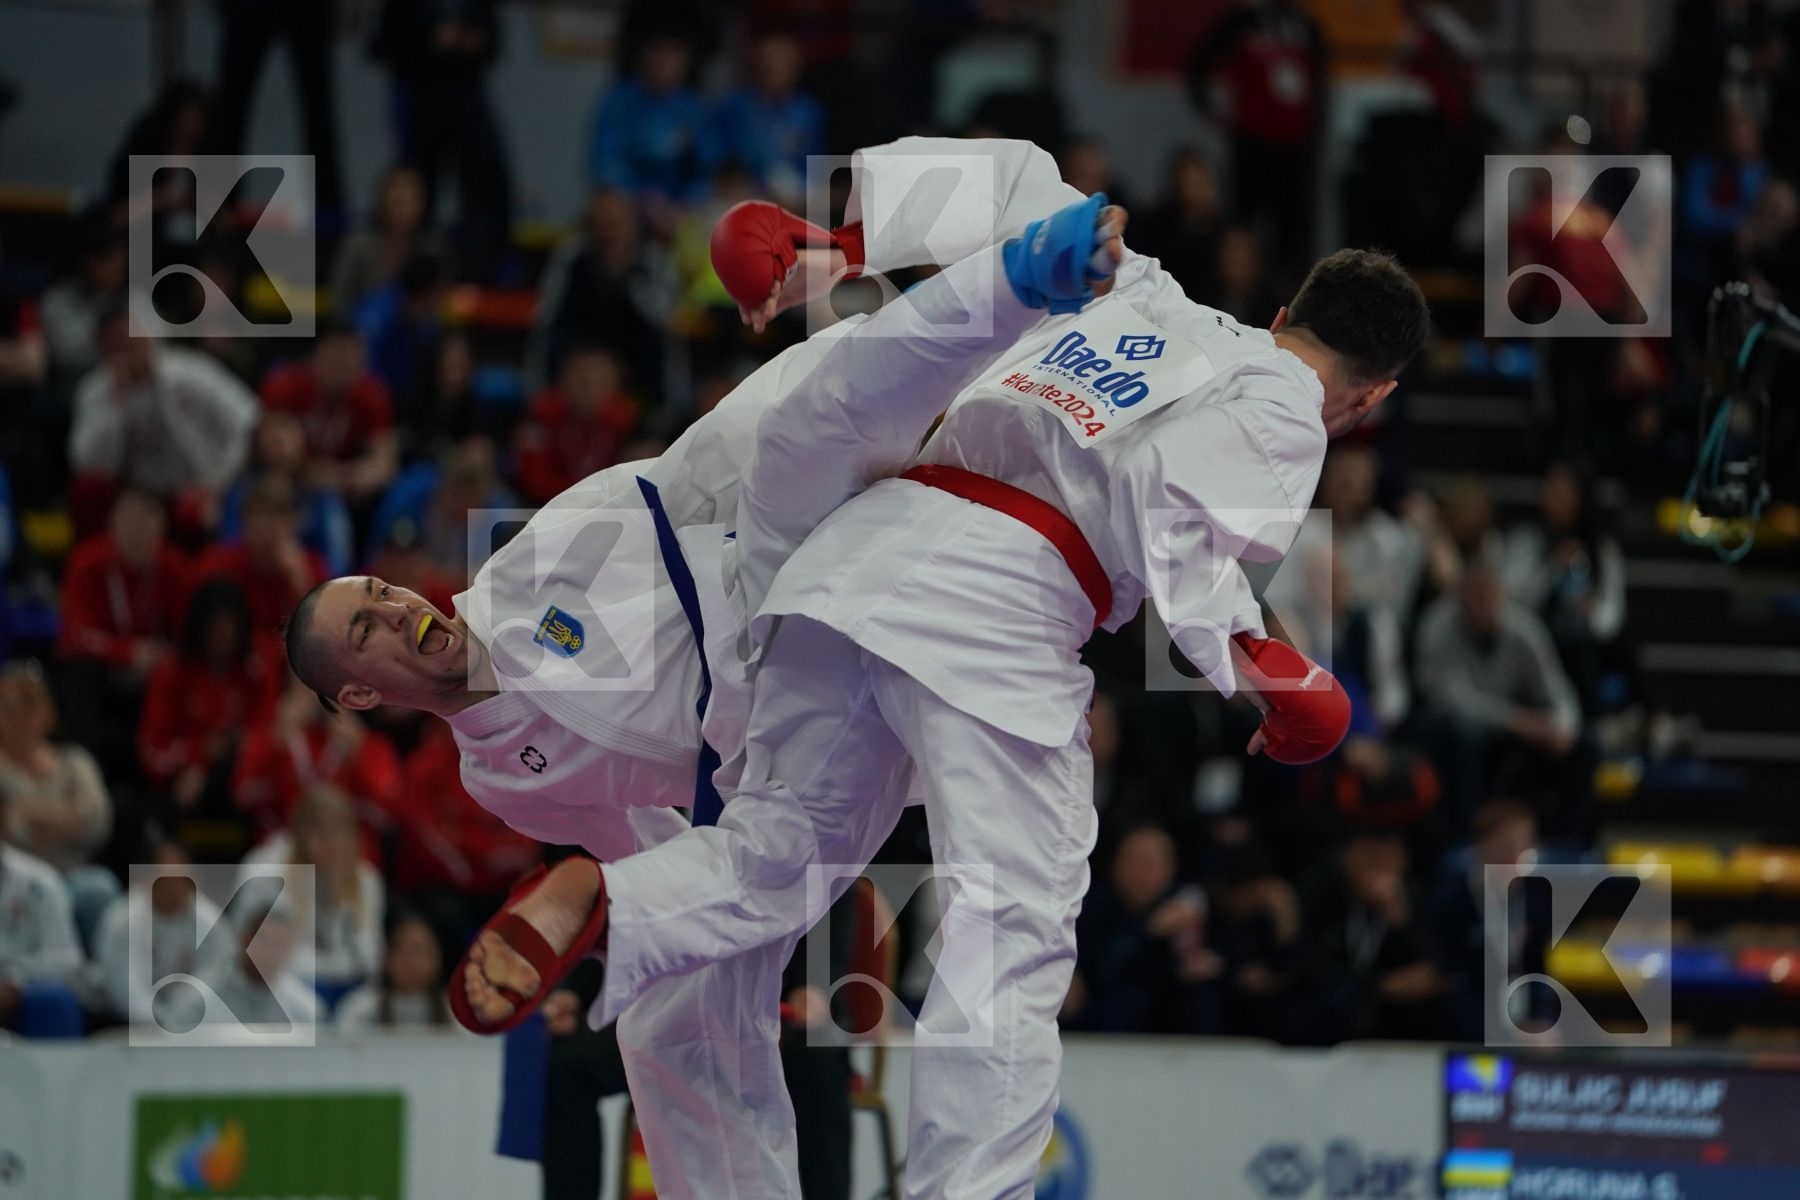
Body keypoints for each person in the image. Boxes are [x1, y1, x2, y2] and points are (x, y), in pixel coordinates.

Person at [459, 175, 1425, 1197]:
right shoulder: (1287, 400)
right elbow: (1169, 503)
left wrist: (840, 228)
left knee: (778, 853)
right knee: (1011, 927)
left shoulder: (1144, 288)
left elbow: (1017, 184)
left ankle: (605, 891)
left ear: (1281, 311)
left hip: (852, 558)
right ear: (1371, 395)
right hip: (1002, 605)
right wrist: (1262, 664)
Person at [282, 137, 1141, 1199]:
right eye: (367, 631)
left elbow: (687, 484)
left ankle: (1004, 275)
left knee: (822, 401)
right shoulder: (498, 774)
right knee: (668, 1028)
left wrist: (803, 275)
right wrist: (644, 915)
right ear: (359, 694)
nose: (397, 607)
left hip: (753, 542)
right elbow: (668, 839)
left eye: (381, 593)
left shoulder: (521, 570)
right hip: (780, 727)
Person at [67, 300, 259, 538]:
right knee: (89, 493)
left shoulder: (190, 372)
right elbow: (88, 464)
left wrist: (216, 484)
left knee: (196, 514)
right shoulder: (97, 391)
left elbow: (248, 419)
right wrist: (116, 406)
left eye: (131, 339)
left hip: (204, 484)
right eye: (116, 344)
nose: (127, 350)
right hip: (137, 493)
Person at [0, 661, 117, 941]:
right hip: (11, 884)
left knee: (99, 888)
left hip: (69, 876)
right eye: (8, 707)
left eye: (30, 706)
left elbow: (95, 823)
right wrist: (67, 817)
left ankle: (91, 978)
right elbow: (8, 830)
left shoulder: (74, 762)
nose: (18, 716)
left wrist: (26, 813)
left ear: (48, 714)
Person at [0, 781, 86, 1034]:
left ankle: (60, 1074)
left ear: (5, 820)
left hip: (23, 996)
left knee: (53, 999)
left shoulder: (40, 881)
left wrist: (15, 983)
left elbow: (67, 959)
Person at [333, 909, 452, 1031]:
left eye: (424, 952)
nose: (415, 962)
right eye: (409, 952)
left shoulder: (453, 1012)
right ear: (388, 956)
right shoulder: (360, 1009)